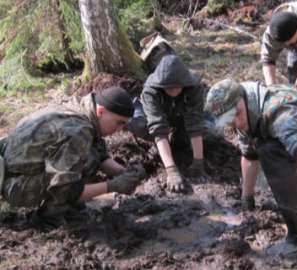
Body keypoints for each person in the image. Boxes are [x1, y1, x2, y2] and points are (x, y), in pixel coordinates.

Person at [205, 79, 297, 262]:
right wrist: (247, 198)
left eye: (237, 114)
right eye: (229, 120)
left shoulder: (279, 112)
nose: (236, 122)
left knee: (271, 151)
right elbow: (249, 157)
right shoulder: (247, 114)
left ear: (242, 100)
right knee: (266, 150)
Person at [0, 86, 146, 223]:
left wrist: (123, 172)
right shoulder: (79, 131)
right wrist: (112, 186)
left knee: (91, 155)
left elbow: (99, 152)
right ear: (101, 111)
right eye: (119, 123)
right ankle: (52, 215)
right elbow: (65, 191)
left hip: (17, 165)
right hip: (15, 182)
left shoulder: (80, 106)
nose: (120, 129)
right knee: (87, 163)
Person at [127, 55, 209, 192]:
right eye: (169, 87)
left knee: (206, 131)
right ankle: (161, 148)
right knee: (138, 124)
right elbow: (157, 127)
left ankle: (177, 137)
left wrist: (198, 162)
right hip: (154, 116)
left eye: (178, 86)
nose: (175, 90)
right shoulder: (150, 91)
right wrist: (171, 170)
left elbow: (195, 122)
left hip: (179, 114)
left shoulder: (194, 88)